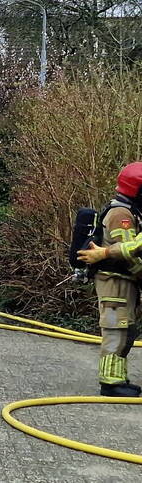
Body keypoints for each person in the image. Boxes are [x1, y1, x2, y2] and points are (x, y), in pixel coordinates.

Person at [76, 162, 142, 397]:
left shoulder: (130, 210)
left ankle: (118, 378)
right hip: (115, 281)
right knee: (116, 329)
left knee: (126, 330)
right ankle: (111, 383)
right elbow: (127, 252)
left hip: (123, 281)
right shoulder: (121, 214)